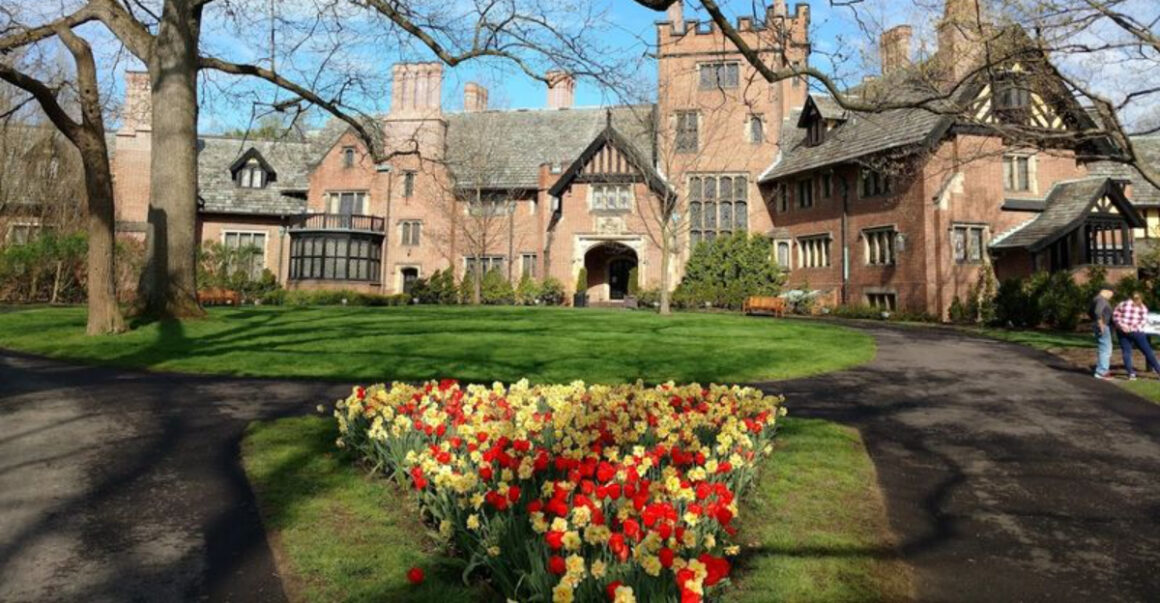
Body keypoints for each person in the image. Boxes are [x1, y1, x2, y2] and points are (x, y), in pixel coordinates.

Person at [1112, 292, 1160, 380]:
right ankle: (1158, 370)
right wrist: (1132, 327)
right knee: (1147, 351)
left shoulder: (1122, 304)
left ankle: (1130, 374)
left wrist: (1121, 326)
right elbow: (1143, 321)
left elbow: (1115, 316)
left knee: (1126, 352)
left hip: (1122, 331)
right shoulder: (1142, 307)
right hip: (1136, 332)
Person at [1089, 287, 1114, 379]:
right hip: (1102, 325)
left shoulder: (1095, 299)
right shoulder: (1101, 300)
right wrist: (1100, 323)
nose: (1111, 296)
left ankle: (1101, 369)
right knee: (1105, 348)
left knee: (1104, 347)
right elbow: (1097, 312)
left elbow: (1090, 312)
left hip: (1098, 324)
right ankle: (1102, 371)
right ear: (1107, 291)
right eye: (1111, 294)